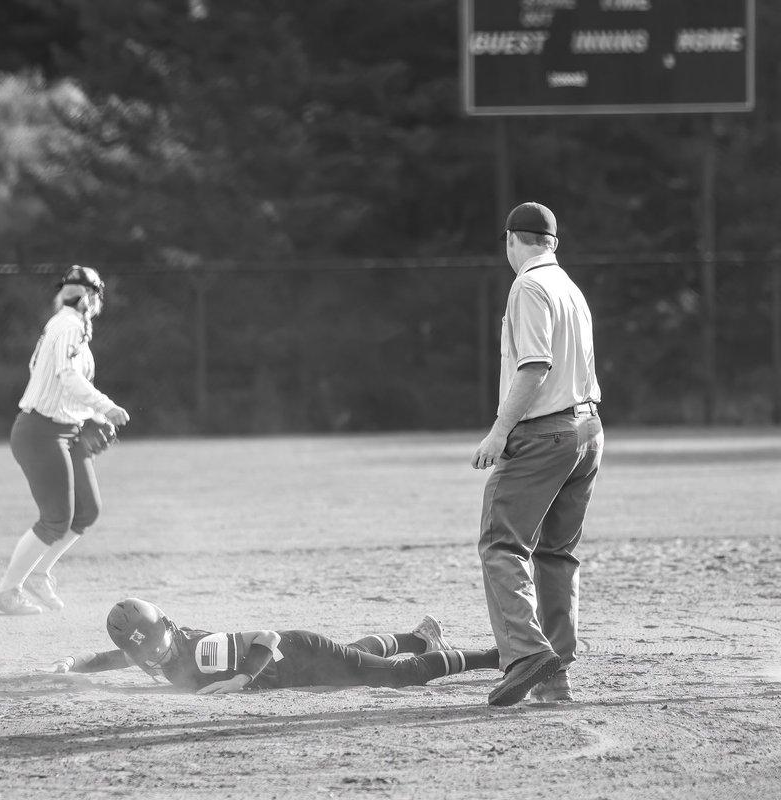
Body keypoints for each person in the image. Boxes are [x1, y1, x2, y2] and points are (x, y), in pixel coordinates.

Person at [472, 202, 604, 706]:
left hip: (543, 434)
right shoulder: (570, 287)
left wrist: (499, 431)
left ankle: (527, 654)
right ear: (553, 243)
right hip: (587, 430)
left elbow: (534, 366)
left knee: (501, 544)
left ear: (511, 240)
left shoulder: (527, 286)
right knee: (556, 554)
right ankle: (554, 676)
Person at [0, 265, 131, 615]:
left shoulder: (68, 326)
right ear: (91, 297)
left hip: (66, 430)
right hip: (40, 431)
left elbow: (51, 379)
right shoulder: (68, 325)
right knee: (56, 517)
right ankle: (8, 590)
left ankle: (38, 573)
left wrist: (90, 417)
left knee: (86, 511)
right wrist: (106, 407)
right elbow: (66, 378)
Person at [51, 598, 501, 694]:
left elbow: (265, 638)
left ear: (170, 625)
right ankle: (418, 636)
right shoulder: (148, 650)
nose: (157, 657)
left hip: (300, 654)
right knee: (357, 655)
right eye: (146, 655)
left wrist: (241, 680)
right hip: (300, 670)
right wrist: (71, 663)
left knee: (399, 676)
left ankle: (499, 656)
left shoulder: (201, 648)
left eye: (159, 646)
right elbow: (110, 657)